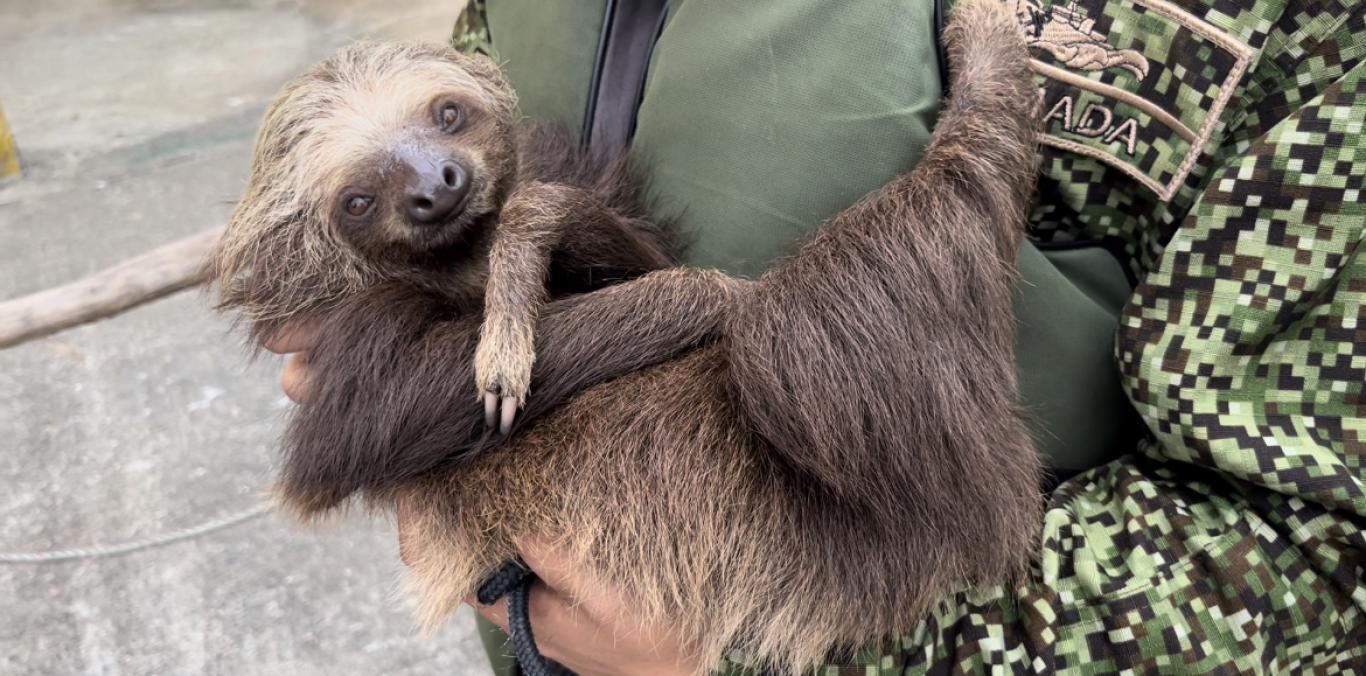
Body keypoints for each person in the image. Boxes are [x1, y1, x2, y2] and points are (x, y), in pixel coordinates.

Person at [269, 0, 1366, 673]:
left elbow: (1326, 541)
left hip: (854, 552)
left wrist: (772, 662)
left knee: (822, 320)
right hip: (556, 597)